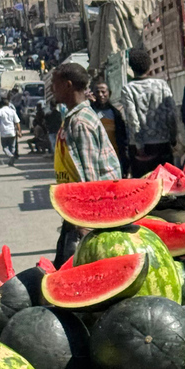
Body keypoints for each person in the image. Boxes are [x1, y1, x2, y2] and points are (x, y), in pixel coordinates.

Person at [51, 63, 121, 268]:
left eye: (55, 84)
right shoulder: (74, 117)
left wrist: (87, 220)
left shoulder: (80, 122)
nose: (52, 89)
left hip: (85, 211)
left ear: (68, 85)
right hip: (74, 208)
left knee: (73, 271)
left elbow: (89, 174)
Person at [120, 47, 177, 178]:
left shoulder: (128, 89)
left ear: (131, 68)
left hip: (140, 148)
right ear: (149, 66)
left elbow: (132, 119)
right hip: (162, 143)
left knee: (143, 184)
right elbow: (172, 113)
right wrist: (173, 137)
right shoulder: (162, 84)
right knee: (167, 184)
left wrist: (139, 146)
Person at [91, 78, 129, 176]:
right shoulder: (89, 112)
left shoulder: (116, 114)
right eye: (97, 92)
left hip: (115, 158)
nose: (100, 95)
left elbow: (123, 139)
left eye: (103, 92)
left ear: (109, 93)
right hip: (96, 159)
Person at [0, 97, 22, 165]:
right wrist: (19, 131)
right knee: (12, 147)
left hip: (4, 133)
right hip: (12, 132)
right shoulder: (12, 111)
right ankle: (11, 161)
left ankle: (11, 156)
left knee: (4, 148)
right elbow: (17, 122)